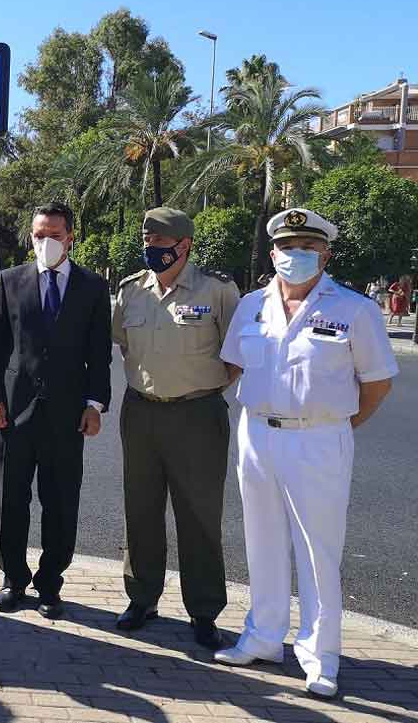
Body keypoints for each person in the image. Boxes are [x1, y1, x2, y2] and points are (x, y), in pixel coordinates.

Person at [214, 208, 397, 699]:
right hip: (255, 434)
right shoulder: (252, 304)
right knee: (262, 539)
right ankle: (263, 638)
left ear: (325, 254)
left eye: (307, 249)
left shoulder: (355, 309)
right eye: (287, 248)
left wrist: (333, 424)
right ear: (272, 253)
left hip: (318, 439)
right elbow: (232, 365)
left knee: (318, 551)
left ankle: (320, 657)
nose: (295, 257)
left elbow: (377, 383)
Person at [110, 207, 241, 649]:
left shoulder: (218, 290)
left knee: (199, 515)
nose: (151, 250)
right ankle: (141, 598)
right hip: (141, 411)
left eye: (160, 245)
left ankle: (203, 610)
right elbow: (123, 343)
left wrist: (204, 389)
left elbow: (236, 352)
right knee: (140, 510)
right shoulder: (131, 291)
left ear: (184, 245)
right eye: (147, 243)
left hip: (197, 414)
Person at [0, 201, 112, 619]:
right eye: (39, 235)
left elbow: (99, 353)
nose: (46, 242)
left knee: (60, 503)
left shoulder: (92, 287)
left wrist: (94, 405)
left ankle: (50, 583)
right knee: (12, 502)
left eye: (54, 235)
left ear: (71, 237)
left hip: (67, 416)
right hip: (14, 415)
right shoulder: (10, 280)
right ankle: (13, 580)